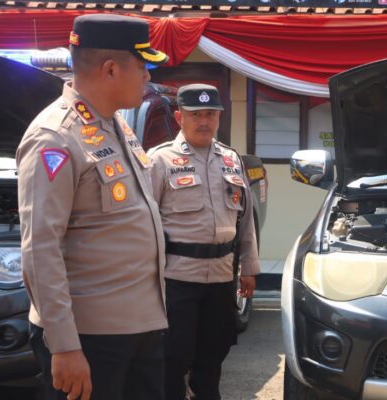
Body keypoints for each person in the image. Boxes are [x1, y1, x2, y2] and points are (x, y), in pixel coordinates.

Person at [16, 14, 170, 400]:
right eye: (143, 66)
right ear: (111, 69)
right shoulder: (55, 137)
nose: (148, 77)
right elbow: (40, 249)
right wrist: (64, 345)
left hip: (140, 326)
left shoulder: (116, 125)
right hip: (90, 337)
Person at [148, 83, 260, 400]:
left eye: (211, 114)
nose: (204, 121)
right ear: (179, 116)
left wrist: (249, 267)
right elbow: (144, 224)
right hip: (177, 278)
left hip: (222, 277)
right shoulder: (160, 161)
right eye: (196, 114)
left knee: (214, 353)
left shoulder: (231, 159)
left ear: (218, 118)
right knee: (174, 355)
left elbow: (246, 219)